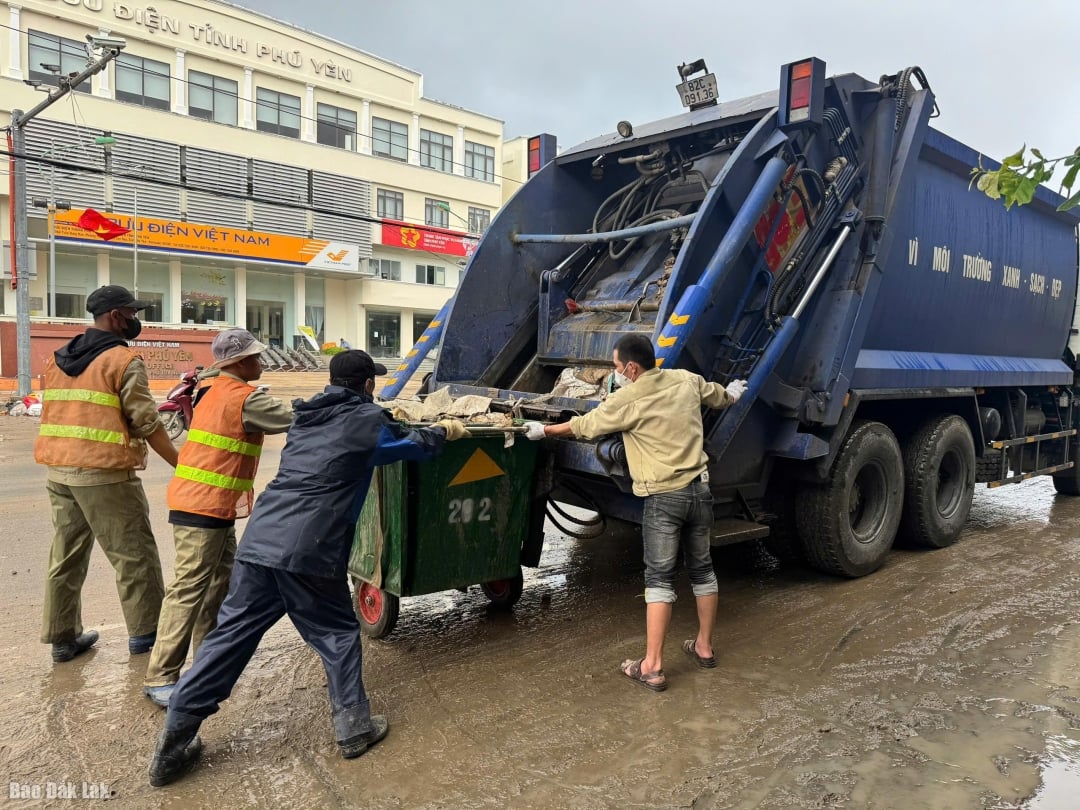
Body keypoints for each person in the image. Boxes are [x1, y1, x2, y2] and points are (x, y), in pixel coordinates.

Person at [148, 350, 469, 787]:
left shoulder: (304, 418)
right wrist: (441, 432)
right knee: (336, 634)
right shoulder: (366, 423)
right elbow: (409, 446)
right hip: (309, 549)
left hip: (261, 542)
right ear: (368, 385)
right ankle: (354, 729)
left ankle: (172, 745)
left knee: (229, 638)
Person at [523, 332, 747, 692]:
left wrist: (543, 430)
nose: (615, 373)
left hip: (663, 499)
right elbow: (720, 396)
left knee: (659, 580)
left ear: (630, 367)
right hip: (699, 492)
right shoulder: (686, 380)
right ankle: (704, 647)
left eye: (615, 367)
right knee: (703, 571)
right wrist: (735, 392)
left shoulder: (628, 398)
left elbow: (584, 427)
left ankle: (652, 667)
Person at [143, 329, 294, 708]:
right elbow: (291, 417)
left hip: (210, 504)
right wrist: (338, 404)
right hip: (202, 505)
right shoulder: (239, 397)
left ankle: (206, 663)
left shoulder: (210, 388)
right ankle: (161, 675)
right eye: (256, 358)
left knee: (217, 586)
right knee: (189, 589)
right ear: (238, 363)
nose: (261, 363)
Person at [34, 285, 180, 663]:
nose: (135, 321)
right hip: (105, 474)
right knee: (134, 555)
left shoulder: (57, 357)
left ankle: (62, 638)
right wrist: (182, 465)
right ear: (116, 315)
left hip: (60, 470)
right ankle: (146, 635)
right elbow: (147, 422)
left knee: (66, 554)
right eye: (133, 314)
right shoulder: (121, 360)